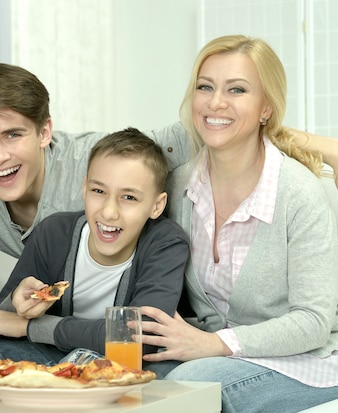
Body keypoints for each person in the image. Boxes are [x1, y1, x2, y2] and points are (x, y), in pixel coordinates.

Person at [0, 63, 338, 260]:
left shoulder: (99, 159)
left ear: (45, 132)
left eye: (13, 134)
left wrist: (328, 149)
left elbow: (212, 127)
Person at [137, 35, 338, 413]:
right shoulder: (177, 185)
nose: (215, 102)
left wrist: (214, 344)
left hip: (304, 359)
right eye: (205, 87)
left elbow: (314, 321)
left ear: (266, 108)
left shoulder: (299, 194)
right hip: (213, 354)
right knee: (112, 372)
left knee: (187, 388)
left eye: (237, 89)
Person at [0, 128, 190, 364]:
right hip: (52, 359)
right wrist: (18, 300)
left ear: (157, 206)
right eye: (98, 191)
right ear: (84, 187)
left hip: (122, 366)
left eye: (129, 197)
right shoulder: (54, 233)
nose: (109, 212)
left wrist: (32, 327)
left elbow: (138, 337)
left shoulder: (166, 243)